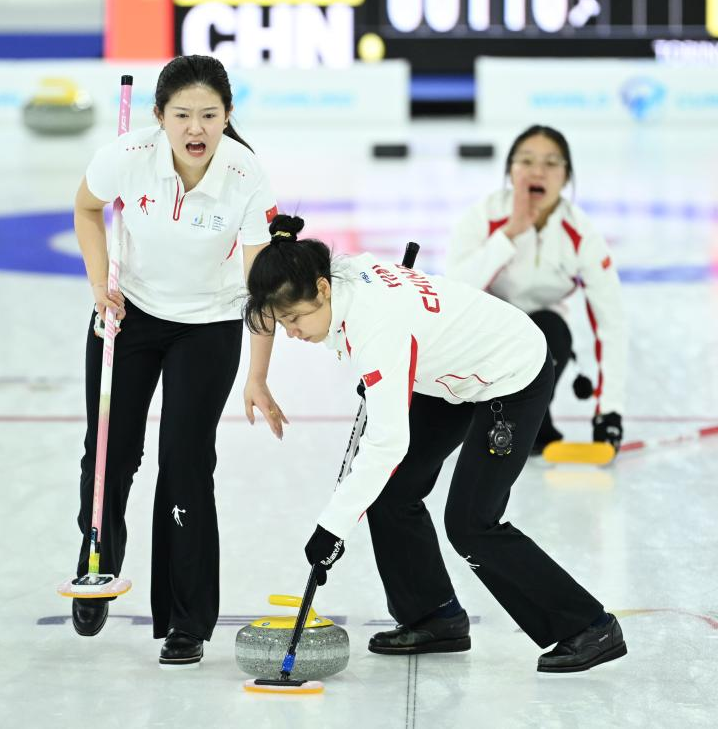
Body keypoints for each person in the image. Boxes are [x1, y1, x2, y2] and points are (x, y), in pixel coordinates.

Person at [243, 214, 627, 673]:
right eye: (282, 322)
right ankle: (434, 616)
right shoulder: (337, 275)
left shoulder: (375, 326)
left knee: (471, 522)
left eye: (294, 319)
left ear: (323, 289)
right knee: (392, 491)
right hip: (450, 372)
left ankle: (589, 626)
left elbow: (387, 445)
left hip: (510, 371)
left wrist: (332, 528)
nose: (291, 332)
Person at [70, 55, 288, 665]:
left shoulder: (246, 176)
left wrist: (259, 374)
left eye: (210, 115)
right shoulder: (127, 156)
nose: (196, 128)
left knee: (186, 465)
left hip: (208, 325)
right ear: (159, 115)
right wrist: (99, 285)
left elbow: (260, 288)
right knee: (110, 451)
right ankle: (97, 561)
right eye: (183, 115)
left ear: (228, 115)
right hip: (130, 313)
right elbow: (86, 208)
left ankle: (187, 620)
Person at [446, 125, 626, 454]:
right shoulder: (483, 217)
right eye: (526, 161)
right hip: (483, 339)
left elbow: (611, 321)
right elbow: (452, 295)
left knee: (551, 329)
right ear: (510, 171)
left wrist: (609, 411)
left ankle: (528, 413)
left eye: (551, 163)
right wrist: (510, 233)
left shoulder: (581, 234)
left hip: (544, 342)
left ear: (566, 176)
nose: (538, 171)